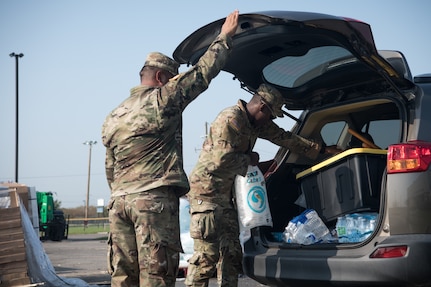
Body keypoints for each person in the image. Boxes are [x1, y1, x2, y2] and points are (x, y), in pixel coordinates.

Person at [101, 10, 239, 287]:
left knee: (123, 276)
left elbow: (110, 167)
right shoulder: (163, 99)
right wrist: (225, 37)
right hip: (152, 202)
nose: (177, 82)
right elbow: (202, 73)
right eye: (174, 78)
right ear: (162, 77)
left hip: (119, 203)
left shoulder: (113, 115)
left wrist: (122, 192)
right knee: (157, 276)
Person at [185, 83, 340, 287]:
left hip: (226, 197)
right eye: (271, 115)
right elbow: (219, 160)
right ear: (262, 108)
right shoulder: (231, 119)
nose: (271, 120)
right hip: (206, 195)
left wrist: (321, 151)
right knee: (206, 257)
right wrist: (250, 158)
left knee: (232, 254)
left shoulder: (256, 124)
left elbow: (285, 138)